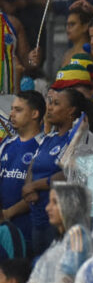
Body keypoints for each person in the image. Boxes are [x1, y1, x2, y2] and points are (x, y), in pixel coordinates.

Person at [25, 90, 93, 256]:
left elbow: (71, 173)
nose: (49, 108)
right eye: (50, 103)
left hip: (62, 221)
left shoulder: (80, 137)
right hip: (38, 219)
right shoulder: (48, 138)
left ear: (71, 110)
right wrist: (27, 186)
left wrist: (35, 185)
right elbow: (32, 165)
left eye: (56, 104)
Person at [7, 183, 92, 283]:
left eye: (55, 202)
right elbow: (35, 281)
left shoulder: (77, 235)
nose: (47, 208)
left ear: (71, 205)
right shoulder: (58, 241)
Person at [0, 92, 44, 249]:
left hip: (29, 232)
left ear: (34, 113)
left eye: (18, 110)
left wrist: (8, 213)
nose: (11, 114)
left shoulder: (44, 146)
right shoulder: (6, 145)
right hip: (4, 233)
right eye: (12, 109)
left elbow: (37, 192)